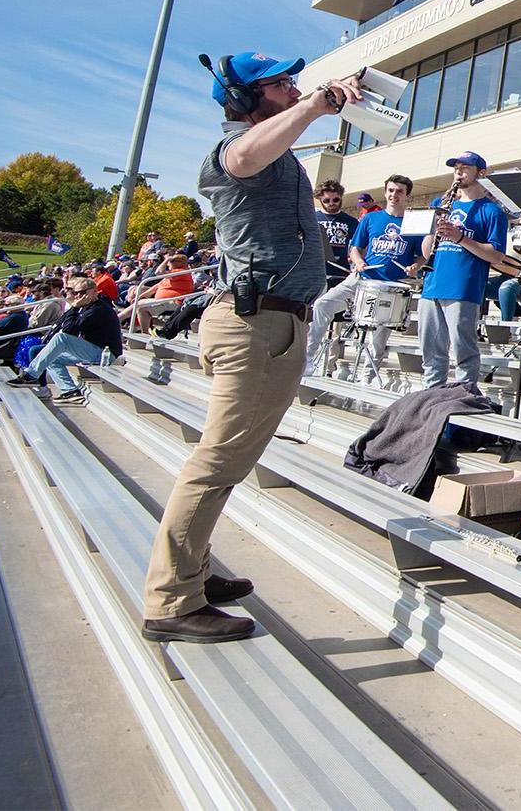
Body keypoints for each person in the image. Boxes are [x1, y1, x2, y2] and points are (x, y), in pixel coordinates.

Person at [138, 49, 362, 644]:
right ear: (243, 98)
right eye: (280, 83)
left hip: (272, 321)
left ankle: (192, 571)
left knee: (225, 462)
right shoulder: (232, 152)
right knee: (217, 464)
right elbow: (242, 155)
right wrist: (317, 105)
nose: (293, 88)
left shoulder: (277, 149)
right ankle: (171, 600)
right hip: (255, 324)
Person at [417, 152, 510, 388]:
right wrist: (433, 231)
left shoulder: (492, 211)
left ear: (481, 173)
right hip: (432, 284)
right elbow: (427, 252)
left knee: (462, 351)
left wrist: (460, 238)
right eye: (456, 167)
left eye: (465, 167)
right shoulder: (441, 204)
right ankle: (431, 397)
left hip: (463, 287)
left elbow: (497, 255)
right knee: (430, 351)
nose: (459, 172)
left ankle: (464, 395)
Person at [333, 175, 421, 381]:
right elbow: (355, 248)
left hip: (391, 285)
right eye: (391, 190)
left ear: (407, 195)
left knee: (378, 339)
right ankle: (309, 359)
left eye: (399, 191)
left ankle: (367, 378)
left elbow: (421, 255)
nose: (394, 195)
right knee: (322, 305)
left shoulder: (413, 222)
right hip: (363, 278)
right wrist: (358, 261)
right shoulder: (371, 218)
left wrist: (415, 266)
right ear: (385, 192)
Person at [8, 278, 123, 400]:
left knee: (61, 338)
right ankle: (69, 390)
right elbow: (63, 323)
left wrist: (74, 308)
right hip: (92, 350)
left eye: (83, 292)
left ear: (95, 292)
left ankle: (31, 374)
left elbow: (69, 331)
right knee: (52, 358)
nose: (79, 296)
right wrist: (74, 308)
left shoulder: (98, 309)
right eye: (76, 293)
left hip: (105, 354)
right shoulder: (85, 306)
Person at [311, 179, 359, 286]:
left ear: (341, 197)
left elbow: (359, 247)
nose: (331, 203)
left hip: (341, 273)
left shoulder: (351, 221)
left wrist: (356, 263)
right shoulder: (312, 219)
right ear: (320, 200)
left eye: (335, 199)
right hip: (316, 272)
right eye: (326, 201)